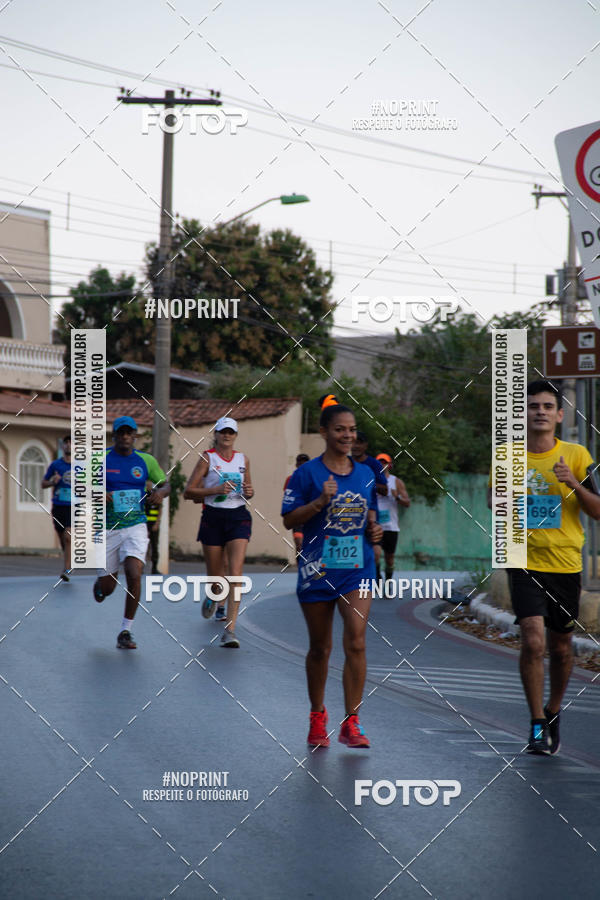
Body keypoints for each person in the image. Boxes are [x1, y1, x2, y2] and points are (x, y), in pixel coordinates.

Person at [487, 380, 600, 754]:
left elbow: (596, 510)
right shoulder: (507, 455)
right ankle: (536, 722)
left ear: (559, 414)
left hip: (566, 563)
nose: (540, 411)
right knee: (534, 642)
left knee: (562, 648)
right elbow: (493, 502)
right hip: (524, 560)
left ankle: (553, 710)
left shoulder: (576, 454)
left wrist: (573, 483)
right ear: (524, 414)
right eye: (533, 406)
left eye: (547, 406)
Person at [282, 404, 383, 749]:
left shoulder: (367, 473)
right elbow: (289, 520)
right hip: (317, 568)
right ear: (324, 432)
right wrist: (318, 503)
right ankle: (317, 716)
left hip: (358, 568)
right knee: (320, 648)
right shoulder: (306, 475)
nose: (347, 436)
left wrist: (375, 530)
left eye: (352, 430)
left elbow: (371, 516)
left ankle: (352, 722)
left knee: (356, 640)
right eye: (340, 429)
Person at [93, 416, 170, 650]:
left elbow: (166, 483)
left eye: (129, 433)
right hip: (107, 528)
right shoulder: (100, 459)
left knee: (134, 572)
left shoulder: (145, 461)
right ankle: (101, 584)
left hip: (136, 525)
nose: (125, 437)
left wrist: (161, 494)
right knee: (108, 588)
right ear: (114, 435)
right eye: (121, 433)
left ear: (135, 435)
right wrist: (98, 493)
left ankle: (125, 631)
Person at [183, 416, 254, 648]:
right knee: (216, 578)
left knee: (235, 572)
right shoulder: (207, 458)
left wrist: (249, 491)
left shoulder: (244, 459)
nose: (226, 436)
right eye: (223, 431)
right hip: (213, 517)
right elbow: (188, 491)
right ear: (216, 434)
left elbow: (247, 490)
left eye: (231, 432)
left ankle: (230, 630)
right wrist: (215, 489)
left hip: (238, 517)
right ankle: (215, 596)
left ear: (235, 436)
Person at [374, 453, 410, 583]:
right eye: (379, 462)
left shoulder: (396, 482)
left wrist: (397, 497)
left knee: (389, 558)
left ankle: (388, 582)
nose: (382, 465)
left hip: (391, 526)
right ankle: (377, 576)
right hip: (375, 525)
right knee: (375, 554)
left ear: (389, 465)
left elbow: (407, 503)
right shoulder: (371, 480)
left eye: (384, 462)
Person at [41, 434, 72, 582]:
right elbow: (43, 483)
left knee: (68, 536)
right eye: (66, 443)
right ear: (62, 446)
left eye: (72, 443)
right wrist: (53, 481)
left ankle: (67, 569)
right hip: (59, 505)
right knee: (62, 537)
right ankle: (68, 557)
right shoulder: (55, 465)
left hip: (74, 506)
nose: (68, 445)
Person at [284, 453, 310, 555]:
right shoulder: (290, 479)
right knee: (299, 545)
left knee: (310, 546)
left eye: (305, 463)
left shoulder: (314, 479)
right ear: (296, 465)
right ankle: (299, 568)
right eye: (300, 463)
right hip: (298, 517)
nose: (302, 465)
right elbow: (287, 499)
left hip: (311, 517)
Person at [145, 495, 162, 575]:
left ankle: (154, 568)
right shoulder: (144, 495)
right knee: (143, 547)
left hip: (154, 525)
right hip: (145, 525)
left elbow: (160, 510)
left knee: (154, 547)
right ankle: (141, 568)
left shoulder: (156, 495)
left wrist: (157, 523)